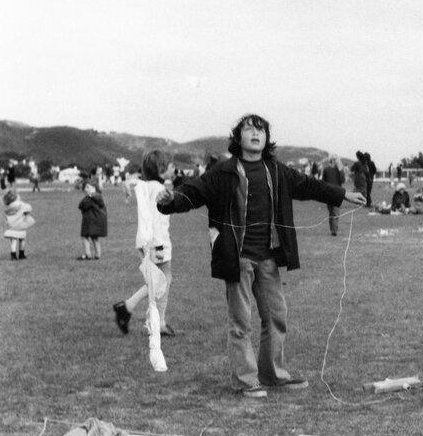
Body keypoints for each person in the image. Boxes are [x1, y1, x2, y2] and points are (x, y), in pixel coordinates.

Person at [156, 113, 365, 398]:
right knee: (241, 322)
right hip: (237, 258)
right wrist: (170, 202)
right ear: (238, 137)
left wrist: (342, 195)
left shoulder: (275, 170)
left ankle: (273, 375)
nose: (256, 134)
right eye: (249, 129)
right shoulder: (224, 171)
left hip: (268, 257)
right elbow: (194, 192)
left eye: (261, 130)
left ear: (266, 138)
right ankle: (246, 381)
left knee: (276, 316)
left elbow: (309, 186)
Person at [113, 151, 177, 372]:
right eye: (170, 165)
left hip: (144, 240)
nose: (173, 169)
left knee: (158, 281)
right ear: (161, 169)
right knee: (163, 280)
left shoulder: (143, 186)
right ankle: (155, 321)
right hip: (157, 241)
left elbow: (131, 183)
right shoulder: (160, 190)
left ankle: (129, 308)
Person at [77, 181, 107, 260]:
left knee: (85, 236)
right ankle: (98, 254)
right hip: (95, 220)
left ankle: (88, 254)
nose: (86, 189)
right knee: (94, 237)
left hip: (91, 220)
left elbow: (81, 206)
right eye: (85, 187)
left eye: (88, 187)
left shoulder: (91, 198)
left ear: (93, 188)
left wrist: (88, 196)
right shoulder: (97, 196)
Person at [2, 188, 35, 260]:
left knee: (13, 242)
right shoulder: (21, 205)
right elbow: (29, 208)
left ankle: (13, 255)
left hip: (11, 227)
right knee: (22, 240)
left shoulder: (8, 207)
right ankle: (21, 253)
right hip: (21, 226)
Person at [320, 154, 346, 235]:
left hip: (332, 193)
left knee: (333, 212)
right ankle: (333, 229)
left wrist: (340, 170)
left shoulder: (335, 170)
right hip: (334, 193)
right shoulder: (328, 170)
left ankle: (333, 230)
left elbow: (342, 180)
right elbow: (342, 181)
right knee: (333, 212)